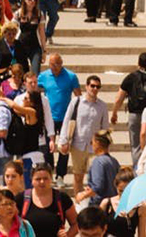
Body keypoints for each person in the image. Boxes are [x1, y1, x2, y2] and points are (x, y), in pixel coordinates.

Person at [59, 75, 110, 194]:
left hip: (95, 147)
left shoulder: (102, 106)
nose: (95, 89)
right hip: (78, 145)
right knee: (78, 177)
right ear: (87, 86)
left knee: (95, 178)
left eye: (97, 87)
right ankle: (78, 204)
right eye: (92, 86)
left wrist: (105, 147)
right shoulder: (76, 101)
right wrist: (63, 140)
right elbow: (67, 121)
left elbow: (105, 127)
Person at [111, 53, 146, 158]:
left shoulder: (130, 78)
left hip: (134, 115)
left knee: (136, 146)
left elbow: (118, 99)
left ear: (138, 63)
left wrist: (114, 114)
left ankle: (137, 169)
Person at [38, 53, 79, 184]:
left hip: (65, 118)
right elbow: (36, 91)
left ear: (61, 63)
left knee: (64, 148)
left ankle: (60, 175)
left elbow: (78, 96)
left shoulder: (71, 76)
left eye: (57, 64)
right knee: (47, 149)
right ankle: (49, 173)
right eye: (51, 64)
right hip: (48, 117)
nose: (54, 67)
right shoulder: (43, 76)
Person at [16, 164, 77, 237]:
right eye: (38, 179)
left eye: (45, 178)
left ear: (51, 179)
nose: (42, 182)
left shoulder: (62, 198)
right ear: (31, 180)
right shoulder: (21, 198)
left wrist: (68, 235)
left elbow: (76, 224)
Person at [75, 131, 118, 208]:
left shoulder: (98, 162)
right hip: (112, 203)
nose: (91, 145)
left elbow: (97, 186)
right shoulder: (114, 161)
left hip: (99, 206)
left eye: (92, 142)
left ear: (97, 143)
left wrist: (83, 195)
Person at [101, 167, 146, 237]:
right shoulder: (107, 204)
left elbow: (142, 234)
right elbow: (96, 231)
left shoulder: (141, 206)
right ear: (116, 187)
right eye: (121, 191)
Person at [15, 0, 46, 75]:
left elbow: (42, 33)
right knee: (22, 73)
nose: (32, 1)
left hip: (35, 46)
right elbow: (12, 28)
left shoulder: (39, 14)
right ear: (25, 0)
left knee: (35, 73)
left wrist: (44, 50)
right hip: (21, 46)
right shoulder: (18, 13)